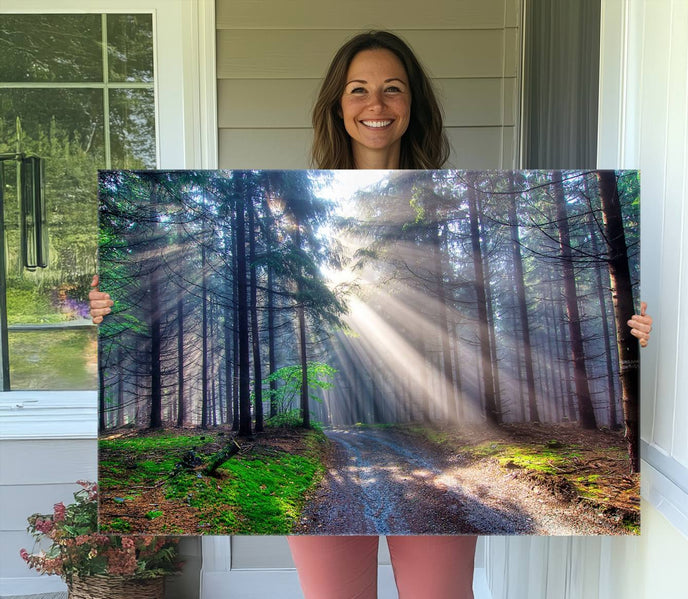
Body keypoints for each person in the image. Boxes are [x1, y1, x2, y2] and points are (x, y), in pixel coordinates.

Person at [90, 30, 653, 599]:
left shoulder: (453, 192)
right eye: (358, 90)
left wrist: (634, 326)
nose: (376, 105)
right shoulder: (290, 205)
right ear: (338, 104)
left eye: (393, 89)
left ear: (414, 105)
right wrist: (103, 314)